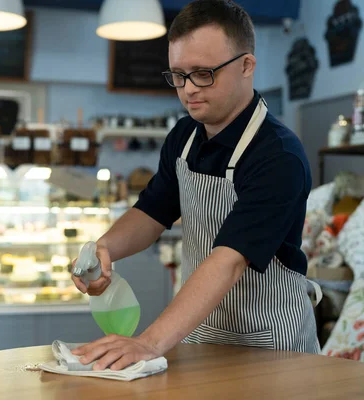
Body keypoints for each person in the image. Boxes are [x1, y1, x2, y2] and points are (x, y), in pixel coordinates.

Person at [71, 0, 322, 371]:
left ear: (246, 66)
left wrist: (148, 343)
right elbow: (152, 211)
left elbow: (229, 261)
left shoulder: (277, 155)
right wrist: (105, 247)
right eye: (178, 74)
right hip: (198, 333)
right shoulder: (185, 135)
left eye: (203, 73)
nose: (188, 89)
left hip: (270, 344)